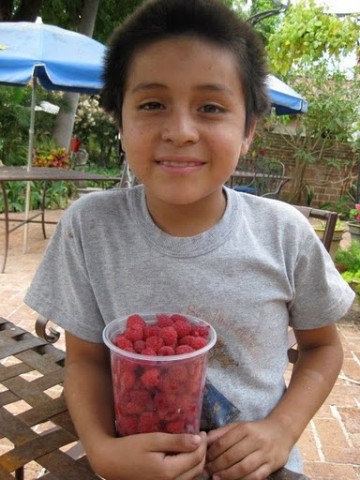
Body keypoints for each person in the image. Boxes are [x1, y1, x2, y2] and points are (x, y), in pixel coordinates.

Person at [24, 0, 355, 479]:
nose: (180, 131)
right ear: (120, 120)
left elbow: (323, 349)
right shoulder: (89, 227)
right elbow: (86, 361)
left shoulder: (283, 234)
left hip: (256, 469)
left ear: (248, 131)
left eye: (211, 107)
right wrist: (100, 449)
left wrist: (281, 430)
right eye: (153, 104)